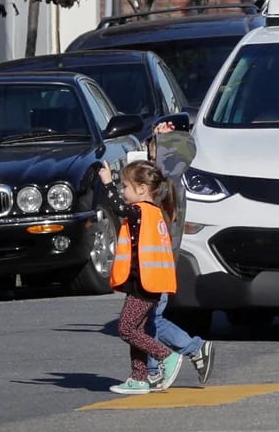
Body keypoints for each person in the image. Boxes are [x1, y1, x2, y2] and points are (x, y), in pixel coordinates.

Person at [100, 159, 181, 394]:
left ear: (142, 189)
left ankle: (166, 356)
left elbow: (118, 207)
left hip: (144, 283)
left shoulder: (139, 211)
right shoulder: (155, 212)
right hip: (148, 283)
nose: (122, 192)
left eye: (124, 186)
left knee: (126, 329)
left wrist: (107, 183)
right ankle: (139, 378)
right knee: (138, 330)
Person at [145, 120, 215, 387]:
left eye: (155, 151)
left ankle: (185, 351)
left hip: (157, 267)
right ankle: (161, 364)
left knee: (149, 319)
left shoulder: (166, 188)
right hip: (155, 266)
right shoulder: (169, 182)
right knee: (149, 318)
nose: (150, 155)